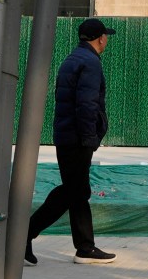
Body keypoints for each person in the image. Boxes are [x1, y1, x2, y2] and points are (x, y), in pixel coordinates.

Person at [29, 17, 118, 264]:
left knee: (77, 191)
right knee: (73, 190)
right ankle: (25, 234)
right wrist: (90, 138)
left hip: (67, 135)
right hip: (77, 138)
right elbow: (86, 105)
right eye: (106, 36)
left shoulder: (73, 59)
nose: (107, 39)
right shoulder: (90, 63)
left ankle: (85, 248)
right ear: (100, 38)